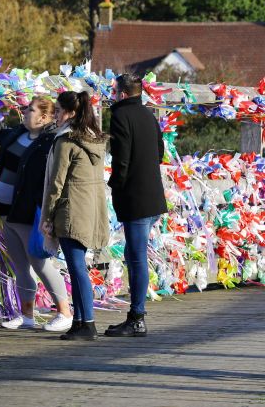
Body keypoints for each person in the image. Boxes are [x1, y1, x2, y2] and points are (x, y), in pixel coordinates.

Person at [0, 96, 72, 333]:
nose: (25, 112)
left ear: (45, 117)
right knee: (20, 265)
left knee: (40, 263)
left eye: (30, 110)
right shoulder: (18, 133)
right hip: (6, 210)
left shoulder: (50, 141)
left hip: (28, 211)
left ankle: (65, 312)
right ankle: (27, 314)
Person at [41, 91, 109, 341]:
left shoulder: (66, 141)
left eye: (58, 110)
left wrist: (47, 216)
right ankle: (80, 321)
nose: (55, 115)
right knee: (78, 266)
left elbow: (56, 183)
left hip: (71, 209)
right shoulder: (96, 140)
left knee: (77, 268)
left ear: (70, 113)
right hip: (90, 209)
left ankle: (87, 322)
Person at [104, 74, 167, 338]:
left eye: (114, 90)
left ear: (122, 93)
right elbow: (160, 151)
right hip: (152, 196)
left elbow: (122, 157)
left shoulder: (120, 116)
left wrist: (114, 184)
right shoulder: (148, 115)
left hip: (135, 198)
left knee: (137, 258)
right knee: (134, 255)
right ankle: (136, 314)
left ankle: (137, 318)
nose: (112, 95)